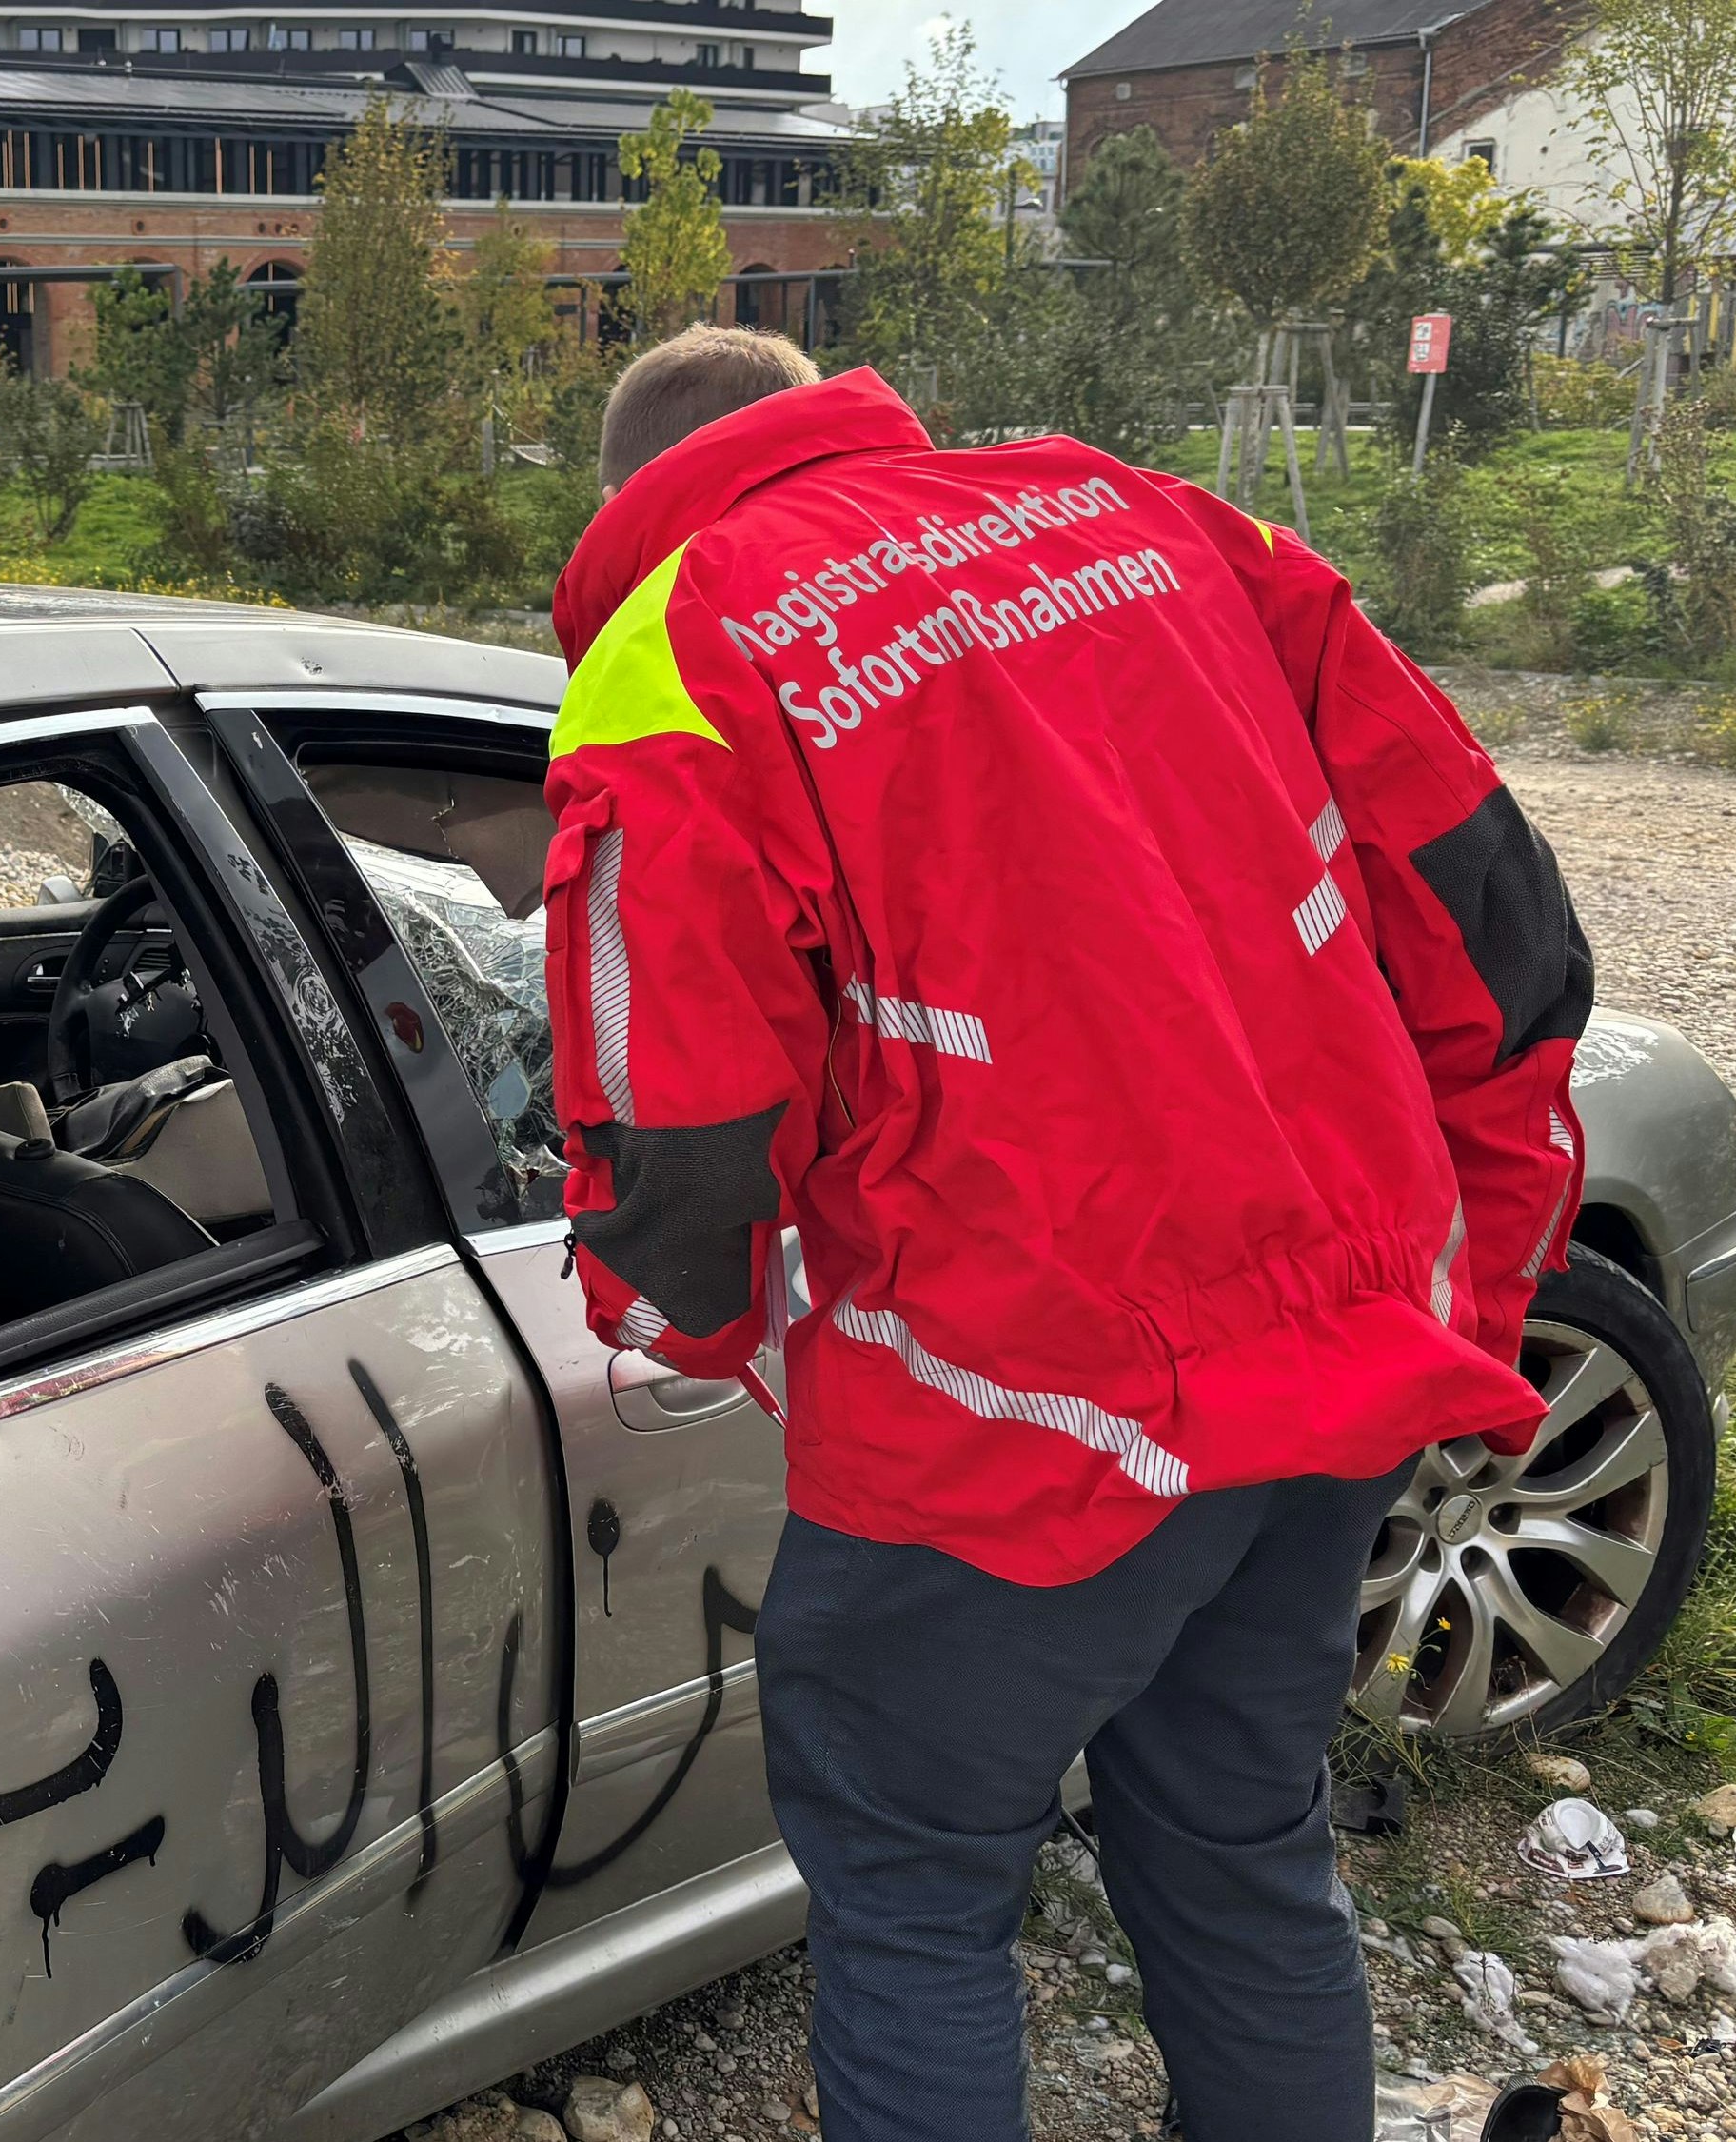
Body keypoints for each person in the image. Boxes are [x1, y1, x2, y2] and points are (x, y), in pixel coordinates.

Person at [544, 327, 1589, 2140]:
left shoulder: (676, 649)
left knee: (918, 1904)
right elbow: (1493, 924)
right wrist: (1466, 1284)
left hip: (1018, 1418)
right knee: (1243, 1846)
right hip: (1328, 1358)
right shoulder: (1157, 519)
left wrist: (676, 1322)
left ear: (627, 494)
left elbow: (680, 1129)